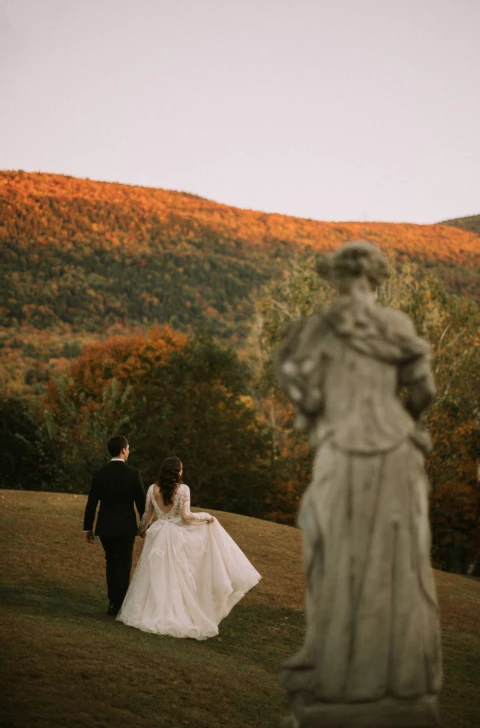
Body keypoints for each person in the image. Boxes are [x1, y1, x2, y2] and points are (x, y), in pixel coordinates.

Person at [276, 241, 442, 727]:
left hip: (344, 451)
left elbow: (298, 387)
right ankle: (399, 682)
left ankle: (339, 671)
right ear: (376, 279)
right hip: (395, 452)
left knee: (333, 553)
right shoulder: (396, 326)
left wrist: (318, 407)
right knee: (399, 562)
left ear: (335, 279)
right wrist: (401, 424)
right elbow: (424, 389)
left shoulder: (318, 330)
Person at [117, 456, 261, 639]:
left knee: (156, 573)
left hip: (158, 533)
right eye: (181, 469)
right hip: (176, 536)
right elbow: (185, 516)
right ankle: (176, 613)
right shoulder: (183, 489)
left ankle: (151, 610)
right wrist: (205, 516)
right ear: (178, 471)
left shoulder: (152, 489)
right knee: (177, 575)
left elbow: (147, 514)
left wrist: (141, 529)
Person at [83, 436, 146, 616]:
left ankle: (113, 602)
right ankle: (121, 604)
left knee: (111, 563)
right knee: (124, 564)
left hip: (106, 527)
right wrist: (143, 527)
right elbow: (141, 504)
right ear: (123, 450)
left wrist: (88, 527)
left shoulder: (100, 473)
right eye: (128, 448)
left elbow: (92, 502)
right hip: (125, 527)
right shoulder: (133, 473)